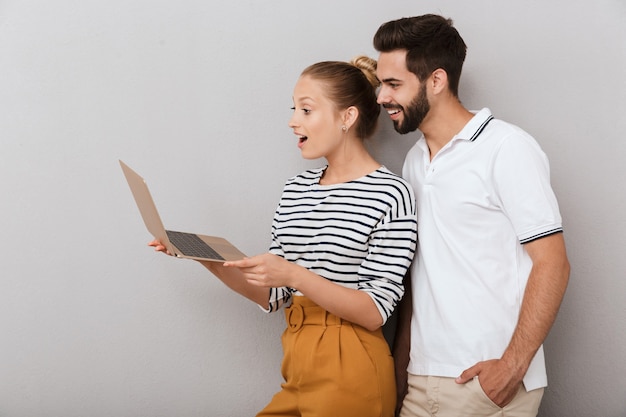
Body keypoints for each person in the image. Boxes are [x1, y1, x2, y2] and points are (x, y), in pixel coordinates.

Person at [149, 56, 418, 417]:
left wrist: (293, 274)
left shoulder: (390, 193)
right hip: (297, 361)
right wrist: (201, 256)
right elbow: (275, 294)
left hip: (352, 366)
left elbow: (374, 312)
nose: (293, 121)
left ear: (347, 117)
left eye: (306, 110)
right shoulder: (296, 190)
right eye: (295, 109)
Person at [372, 14, 571, 417]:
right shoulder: (413, 162)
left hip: (486, 385)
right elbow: (420, 276)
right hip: (421, 381)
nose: (381, 97)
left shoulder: (507, 148)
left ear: (437, 81)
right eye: (380, 83)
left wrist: (511, 369)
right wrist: (400, 370)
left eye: (393, 84)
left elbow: (553, 264)